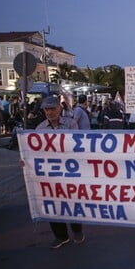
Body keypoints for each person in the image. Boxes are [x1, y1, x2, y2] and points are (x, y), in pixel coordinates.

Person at [34, 95, 84, 249]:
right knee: (52, 204)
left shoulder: (71, 124)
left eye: (53, 108)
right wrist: (26, 160)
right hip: (50, 174)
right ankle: (61, 236)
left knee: (72, 201)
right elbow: (35, 151)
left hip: (69, 172)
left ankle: (77, 230)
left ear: (59, 108)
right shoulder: (40, 129)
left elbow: (76, 146)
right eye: (47, 109)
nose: (50, 112)